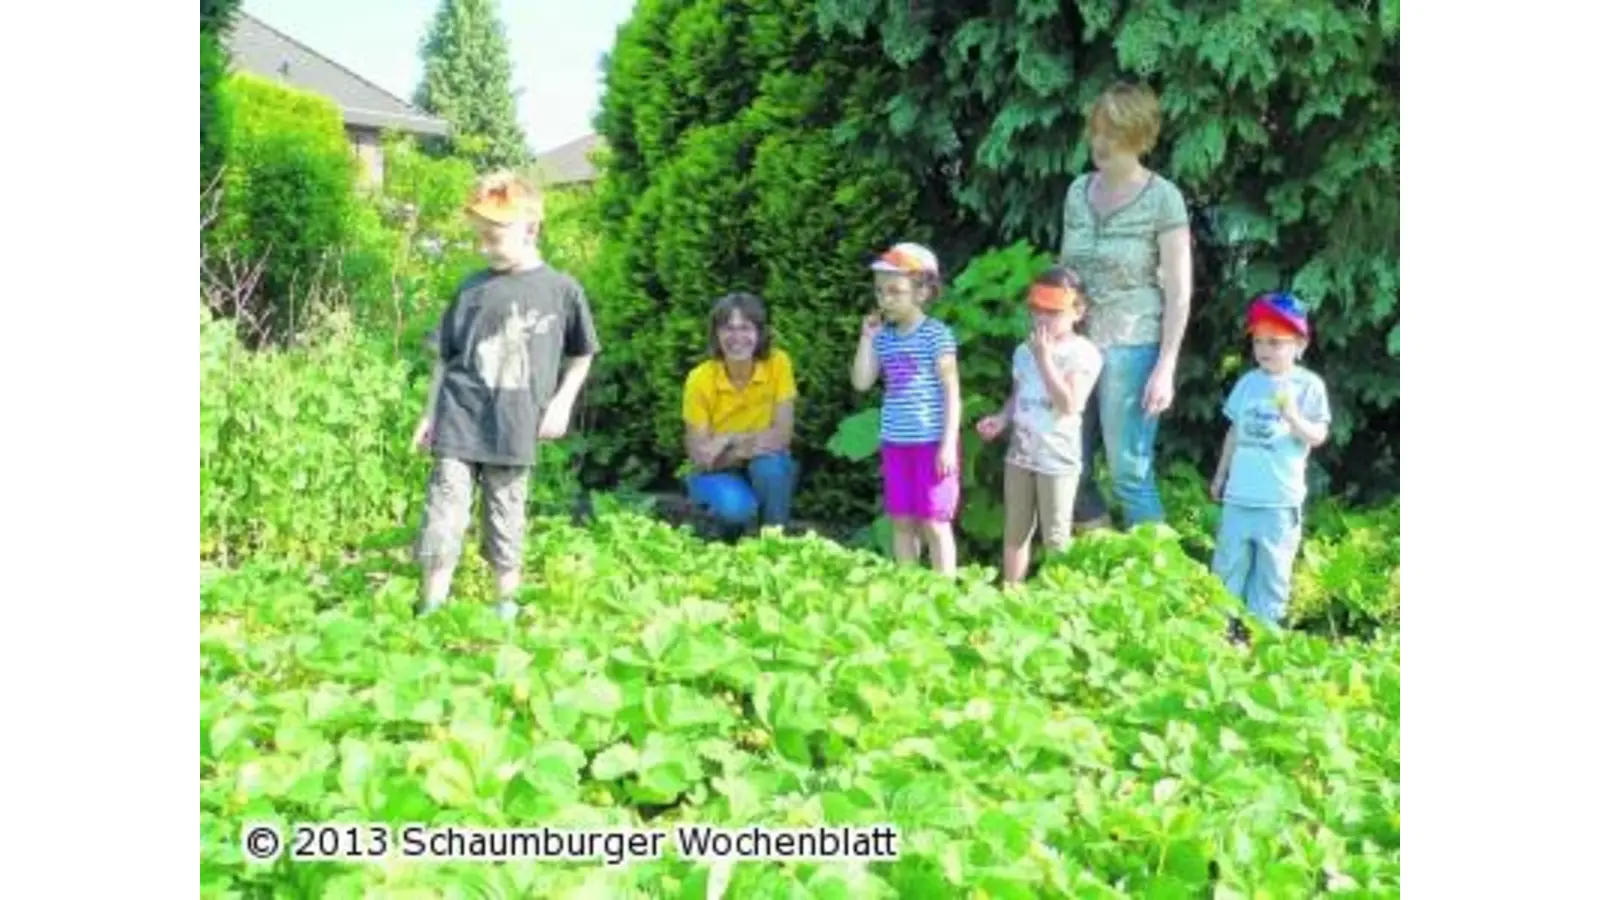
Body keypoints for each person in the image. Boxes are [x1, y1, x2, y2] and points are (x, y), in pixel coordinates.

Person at [410, 171, 601, 620]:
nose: (483, 247)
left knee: (505, 514)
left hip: (515, 425)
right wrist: (429, 413)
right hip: (459, 418)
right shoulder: (471, 288)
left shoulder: (561, 290)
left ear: (531, 228)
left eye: (493, 237)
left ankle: (505, 607)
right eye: (478, 237)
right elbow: (445, 358)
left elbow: (582, 355)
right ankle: (431, 605)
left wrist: (561, 402)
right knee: (443, 511)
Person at [1058, 81, 1194, 532]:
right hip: (1075, 346)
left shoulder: (1162, 198)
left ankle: (1160, 582)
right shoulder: (1077, 191)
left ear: (1139, 136)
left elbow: (1179, 289)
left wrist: (1166, 366)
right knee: (1066, 462)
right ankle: (1106, 564)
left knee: (1129, 472)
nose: (1101, 143)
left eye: (1113, 134)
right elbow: (1065, 272)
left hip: (1132, 345)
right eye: (1097, 130)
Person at [1209, 292, 1331, 637]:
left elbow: (1318, 435)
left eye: (1275, 342)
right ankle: (1225, 634)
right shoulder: (1249, 383)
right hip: (1240, 497)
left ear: (1299, 344)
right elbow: (1234, 432)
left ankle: (1262, 637)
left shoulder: (1308, 386)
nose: (1264, 350)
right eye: (1259, 341)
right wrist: (1221, 475)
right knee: (1228, 566)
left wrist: (1293, 417)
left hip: (1279, 501)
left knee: (1273, 571)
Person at [976, 266, 1104, 585]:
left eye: (1053, 312)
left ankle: (1058, 601)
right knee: (1015, 531)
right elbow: (1019, 395)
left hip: (1057, 460)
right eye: (1037, 310)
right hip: (1020, 454)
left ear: (1078, 311)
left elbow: (1070, 404)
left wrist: (1045, 359)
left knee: (1056, 537)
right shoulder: (1023, 351)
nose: (1042, 319)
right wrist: (1001, 419)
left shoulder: (1083, 353)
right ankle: (1012, 595)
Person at [851, 242, 962, 576]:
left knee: (934, 522)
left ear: (923, 292)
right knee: (901, 520)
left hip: (931, 445)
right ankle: (909, 587)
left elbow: (952, 392)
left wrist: (947, 445)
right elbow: (861, 381)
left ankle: (945, 595)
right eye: (880, 291)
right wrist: (866, 339)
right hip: (896, 443)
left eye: (895, 291)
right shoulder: (883, 337)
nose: (885, 300)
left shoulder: (936, 335)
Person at [681, 292, 799, 538]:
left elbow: (782, 437)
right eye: (728, 329)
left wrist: (727, 440)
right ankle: (720, 541)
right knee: (736, 509)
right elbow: (701, 456)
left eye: (745, 328)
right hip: (715, 473)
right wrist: (749, 446)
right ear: (716, 334)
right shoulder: (699, 378)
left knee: (772, 468)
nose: (737, 338)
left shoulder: (778, 364)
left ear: (759, 333)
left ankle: (776, 548)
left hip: (757, 463)